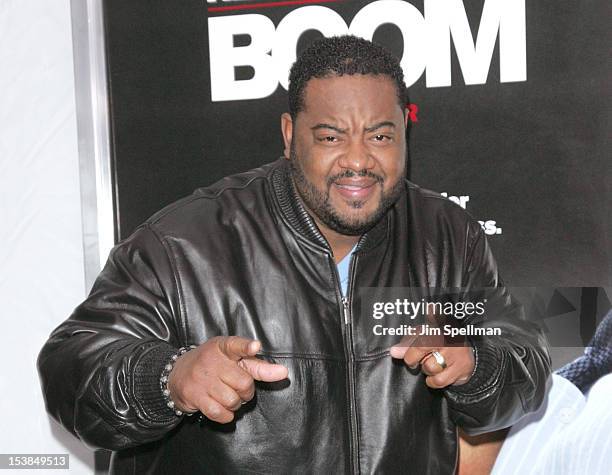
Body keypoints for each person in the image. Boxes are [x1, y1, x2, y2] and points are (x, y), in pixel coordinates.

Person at [38, 35, 551, 474]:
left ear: (404, 134)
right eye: (330, 136)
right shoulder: (182, 245)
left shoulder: (446, 237)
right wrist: (167, 378)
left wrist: (475, 366)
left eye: (380, 136)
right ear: (289, 136)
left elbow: (525, 363)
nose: (357, 160)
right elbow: (69, 369)